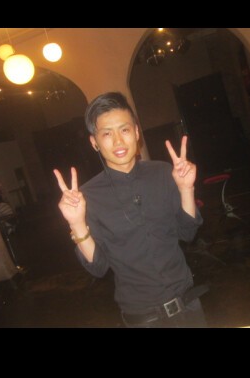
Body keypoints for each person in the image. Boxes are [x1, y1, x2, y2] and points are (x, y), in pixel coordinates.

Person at [53, 92, 207, 327]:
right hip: (144, 319)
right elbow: (98, 267)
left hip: (189, 307)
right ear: (94, 142)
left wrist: (186, 188)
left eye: (124, 130)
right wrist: (76, 223)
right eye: (107, 133)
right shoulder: (87, 197)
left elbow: (188, 232)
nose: (118, 141)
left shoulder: (163, 172)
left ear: (136, 132)